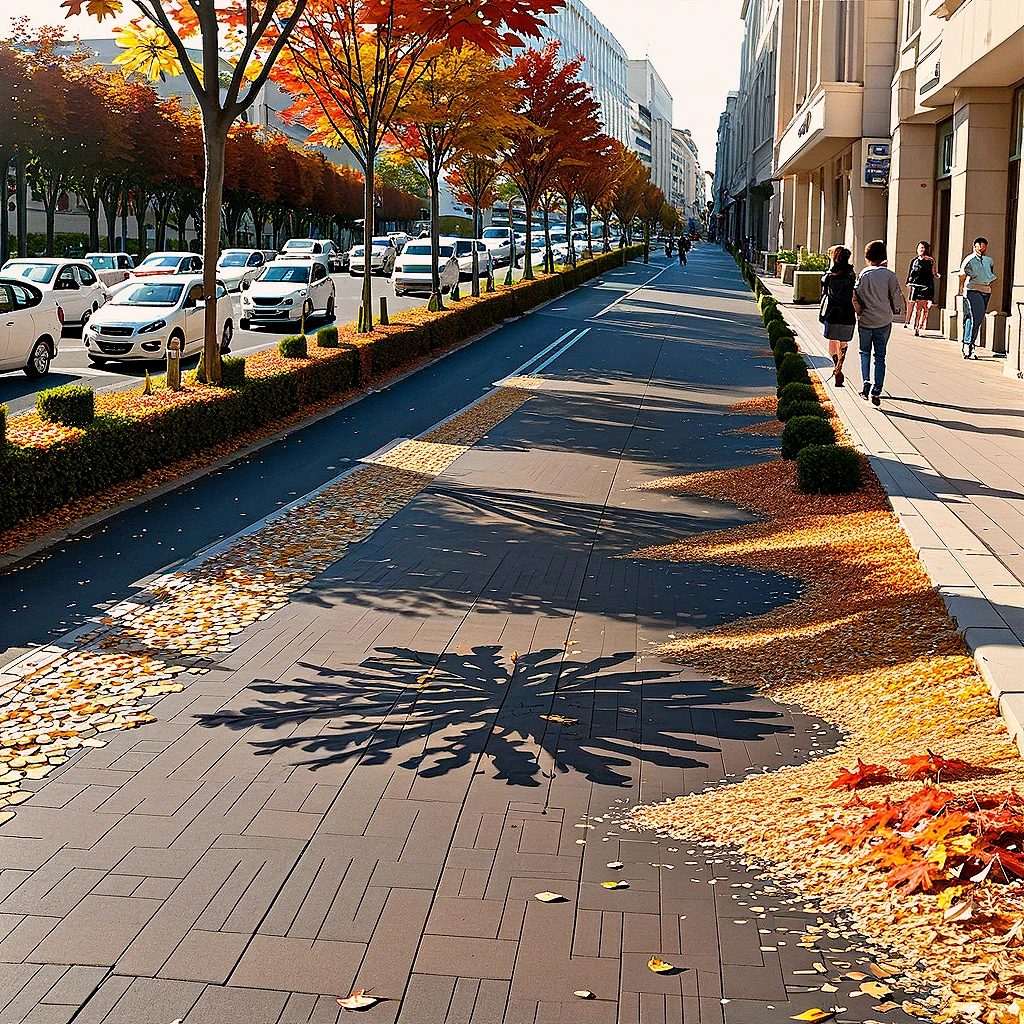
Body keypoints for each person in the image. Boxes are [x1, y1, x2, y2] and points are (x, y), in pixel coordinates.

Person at [852, 239, 905, 407]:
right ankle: (877, 388)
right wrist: (896, 310)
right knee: (880, 356)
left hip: (866, 320)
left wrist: (859, 312)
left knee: (864, 352)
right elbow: (896, 296)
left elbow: (857, 293)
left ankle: (866, 383)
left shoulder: (864, 274)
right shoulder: (890, 274)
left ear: (868, 256)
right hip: (883, 320)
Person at [819, 245, 857, 387]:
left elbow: (823, 294)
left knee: (832, 340)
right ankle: (839, 367)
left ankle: (836, 366)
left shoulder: (828, 277)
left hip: (832, 313)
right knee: (844, 342)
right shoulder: (851, 275)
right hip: (848, 312)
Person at [957, 237, 997, 359]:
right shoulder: (969, 259)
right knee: (976, 318)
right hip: (972, 290)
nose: (982, 248)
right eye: (980, 245)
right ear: (975, 246)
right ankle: (969, 346)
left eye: (984, 246)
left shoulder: (988, 260)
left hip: (985, 290)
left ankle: (967, 343)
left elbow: (990, 273)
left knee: (974, 318)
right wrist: (960, 291)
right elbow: (961, 275)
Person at [904, 241, 938, 336]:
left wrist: (936, 275)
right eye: (919, 248)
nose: (921, 250)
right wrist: (908, 282)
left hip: (925, 286)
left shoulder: (930, 261)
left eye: (923, 248)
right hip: (914, 285)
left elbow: (933, 273)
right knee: (911, 304)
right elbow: (911, 272)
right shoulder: (914, 260)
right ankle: (909, 321)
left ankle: (917, 327)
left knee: (920, 308)